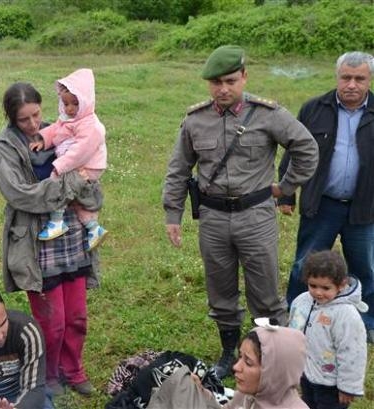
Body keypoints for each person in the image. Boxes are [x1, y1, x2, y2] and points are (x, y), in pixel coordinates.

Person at [162, 45, 318, 379]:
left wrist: (286, 187)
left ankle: (272, 354)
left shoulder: (268, 115)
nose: (223, 89)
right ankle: (228, 352)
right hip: (213, 219)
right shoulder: (196, 120)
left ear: (244, 77)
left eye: (231, 80)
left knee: (265, 292)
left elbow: (306, 147)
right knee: (220, 290)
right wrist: (172, 215)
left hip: (255, 216)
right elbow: (178, 170)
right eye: (216, 82)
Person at [0, 82, 103, 396]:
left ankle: (74, 370)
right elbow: (21, 195)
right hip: (36, 242)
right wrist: (69, 185)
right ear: (12, 118)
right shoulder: (3, 147)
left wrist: (85, 184)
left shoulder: (60, 132)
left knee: (77, 316)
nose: (33, 124)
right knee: (51, 322)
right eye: (24, 120)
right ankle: (47, 374)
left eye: (36, 115)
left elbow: (88, 171)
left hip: (72, 235)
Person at [278, 51, 374, 343]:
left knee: (365, 266)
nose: (352, 85)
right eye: (346, 77)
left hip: (365, 207)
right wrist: (286, 193)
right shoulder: (314, 108)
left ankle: (365, 321)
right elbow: (294, 151)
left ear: (369, 80)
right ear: (337, 77)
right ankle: (296, 312)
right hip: (322, 203)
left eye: (360, 78)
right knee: (304, 262)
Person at [29, 68, 108, 251]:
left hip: (87, 165)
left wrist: (61, 165)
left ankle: (57, 222)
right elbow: (56, 129)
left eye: (75, 103)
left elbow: (81, 151)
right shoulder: (69, 119)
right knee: (78, 198)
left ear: (86, 101)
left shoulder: (91, 125)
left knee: (59, 183)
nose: (70, 109)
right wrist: (43, 139)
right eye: (66, 104)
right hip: (79, 164)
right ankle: (93, 229)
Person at [146, 324, 308, 409]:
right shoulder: (249, 394)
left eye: (248, 362)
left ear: (274, 373)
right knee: (181, 385)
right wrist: (203, 392)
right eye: (240, 358)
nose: (236, 367)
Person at [288, 250, 367, 409]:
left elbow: (353, 352)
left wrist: (348, 387)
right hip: (307, 374)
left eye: (325, 288)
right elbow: (293, 330)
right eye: (313, 285)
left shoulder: (346, 315)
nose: (318, 292)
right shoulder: (302, 301)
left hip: (332, 385)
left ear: (341, 285)